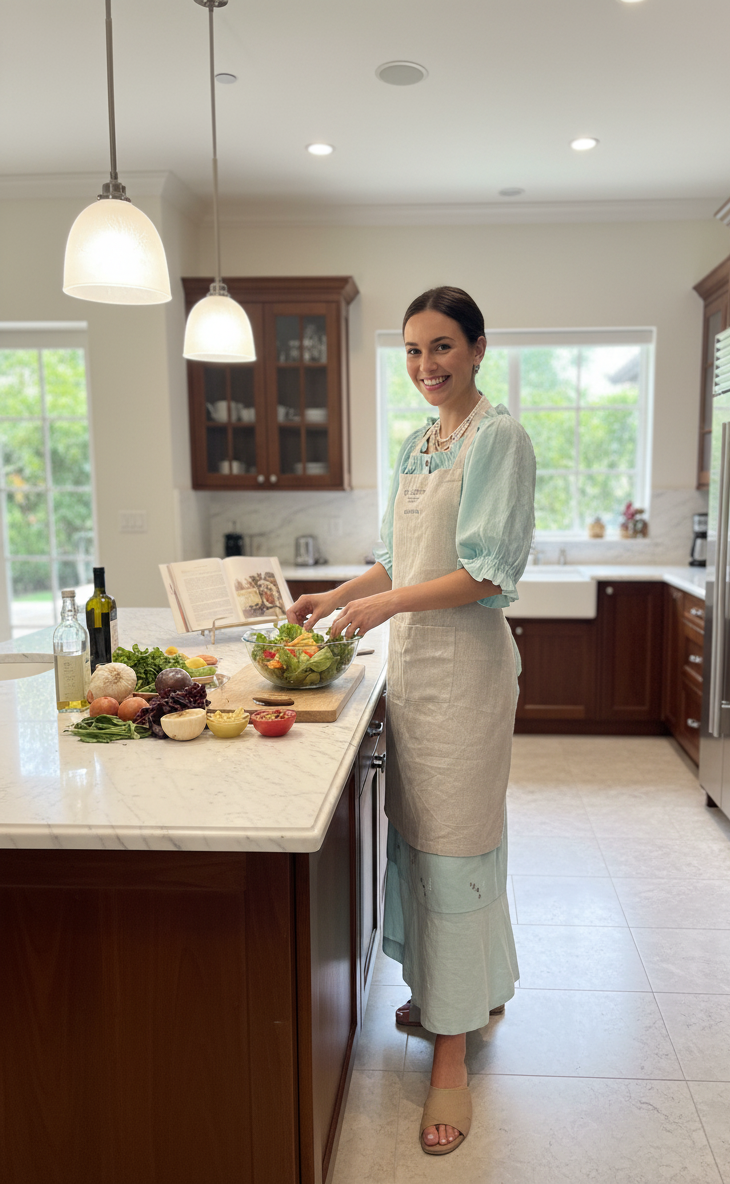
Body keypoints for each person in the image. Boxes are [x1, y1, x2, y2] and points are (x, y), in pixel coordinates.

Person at [285, 286, 536, 1156]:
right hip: (417, 676)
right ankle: (465, 987)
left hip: (465, 678)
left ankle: (452, 1054)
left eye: (441, 348)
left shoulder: (496, 437)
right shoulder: (419, 443)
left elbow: (486, 571)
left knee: (456, 844)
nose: (426, 367)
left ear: (475, 349)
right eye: (412, 351)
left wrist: (385, 603)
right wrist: (342, 593)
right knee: (427, 839)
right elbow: (403, 555)